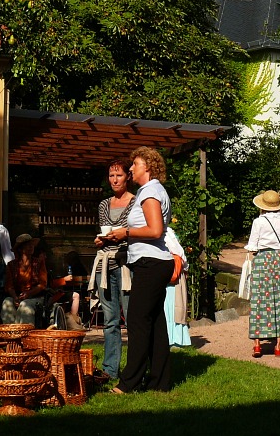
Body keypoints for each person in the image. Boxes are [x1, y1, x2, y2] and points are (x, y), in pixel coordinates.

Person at [103, 146, 174, 394]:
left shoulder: (151, 192)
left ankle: (129, 382)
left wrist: (126, 232)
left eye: (135, 164)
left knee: (136, 320)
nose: (131, 168)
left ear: (148, 167)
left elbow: (155, 230)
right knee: (154, 322)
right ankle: (159, 382)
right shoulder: (149, 191)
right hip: (152, 262)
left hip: (151, 264)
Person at [90, 159, 134, 379]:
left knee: (133, 319)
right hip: (105, 265)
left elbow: (134, 233)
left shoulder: (136, 202)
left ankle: (134, 370)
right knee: (110, 320)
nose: (114, 180)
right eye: (111, 175)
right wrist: (101, 241)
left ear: (128, 176)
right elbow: (107, 232)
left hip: (127, 266)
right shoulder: (103, 204)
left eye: (118, 175)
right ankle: (110, 370)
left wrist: (118, 236)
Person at [244, 190, 280, 357]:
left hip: (262, 260)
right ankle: (278, 346)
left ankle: (258, 344)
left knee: (260, 299)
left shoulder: (258, 222)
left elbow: (252, 245)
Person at [1, 235, 48, 324]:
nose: (31, 247)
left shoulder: (39, 263)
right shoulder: (11, 265)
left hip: (35, 297)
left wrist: (28, 294)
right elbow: (9, 286)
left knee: (25, 305)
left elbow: (42, 284)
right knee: (7, 302)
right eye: (27, 245)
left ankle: (25, 334)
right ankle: (9, 334)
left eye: (32, 245)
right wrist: (15, 297)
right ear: (20, 249)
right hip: (17, 296)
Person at [163, 226, 190, 347]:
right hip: (169, 273)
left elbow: (178, 252)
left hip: (168, 273)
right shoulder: (167, 231)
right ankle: (173, 338)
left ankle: (173, 338)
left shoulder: (167, 232)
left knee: (170, 306)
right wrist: (186, 267)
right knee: (170, 306)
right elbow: (180, 253)